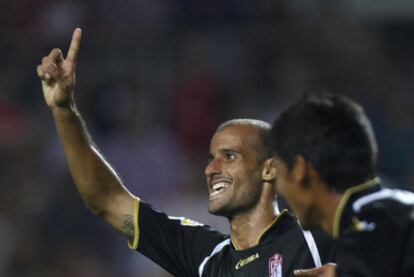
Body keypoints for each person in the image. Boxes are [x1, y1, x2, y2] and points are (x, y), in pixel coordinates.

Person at [36, 28, 322, 276]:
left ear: (269, 169)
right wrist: (64, 110)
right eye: (211, 159)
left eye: (230, 156)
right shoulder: (205, 256)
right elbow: (106, 199)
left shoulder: (315, 243)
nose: (211, 169)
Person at [269, 92, 414, 277]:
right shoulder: (396, 212)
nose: (278, 188)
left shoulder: (369, 237)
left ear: (299, 169)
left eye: (278, 173)